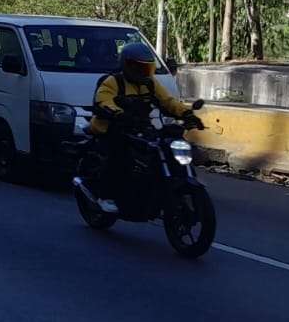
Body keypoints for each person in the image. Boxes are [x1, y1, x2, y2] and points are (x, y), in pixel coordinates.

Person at [86, 42, 203, 213]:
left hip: (139, 126)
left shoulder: (150, 83)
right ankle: (106, 196)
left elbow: (168, 102)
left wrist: (187, 114)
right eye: (139, 68)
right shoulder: (112, 82)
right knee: (120, 155)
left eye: (146, 68)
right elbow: (104, 101)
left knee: (167, 144)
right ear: (127, 65)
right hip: (112, 128)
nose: (143, 72)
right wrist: (118, 114)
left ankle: (175, 180)